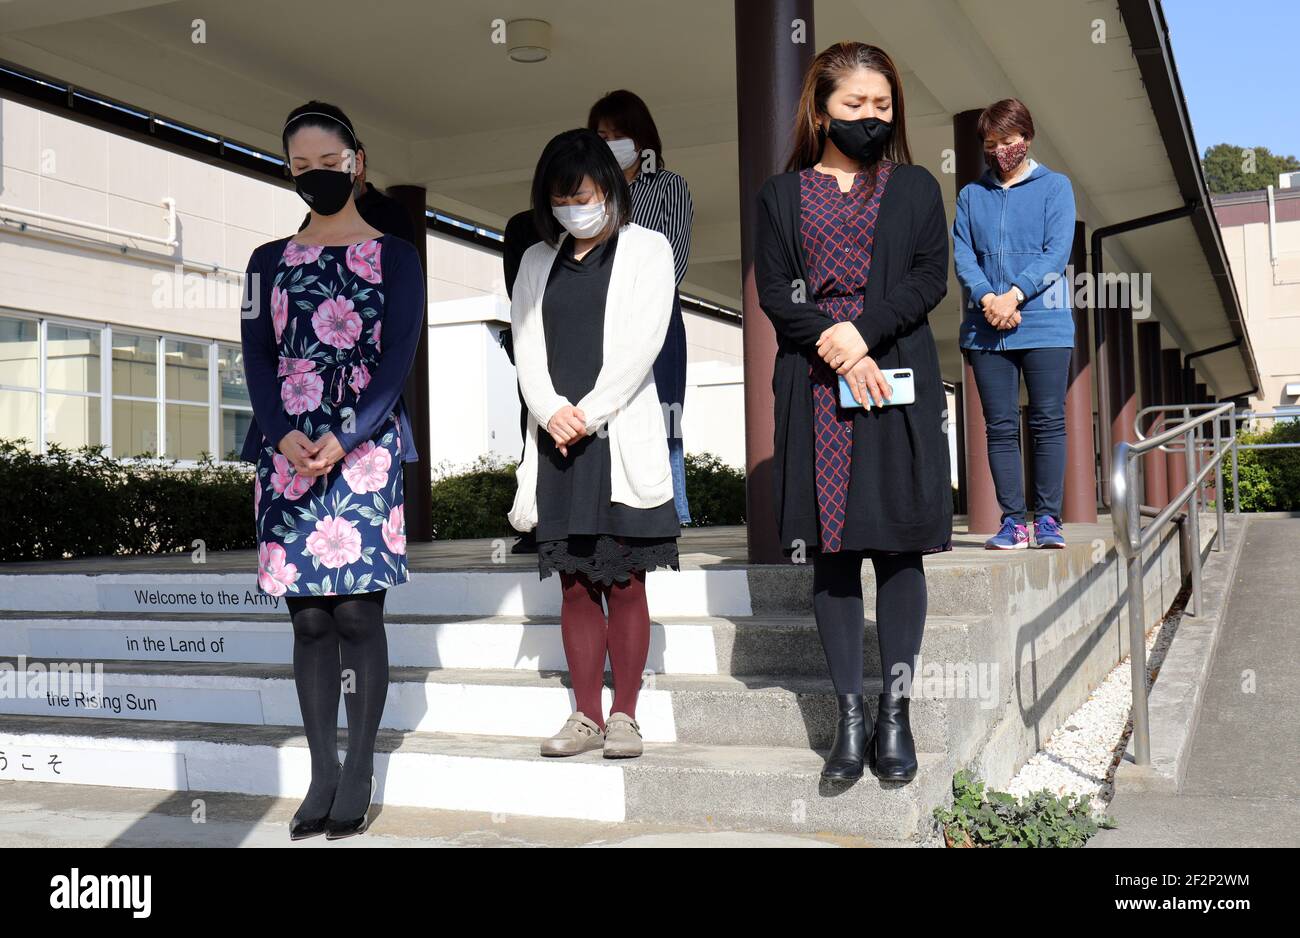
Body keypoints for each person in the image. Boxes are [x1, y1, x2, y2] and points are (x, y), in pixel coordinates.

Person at [755, 42, 952, 784]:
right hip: (815, 382)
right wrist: (839, 348)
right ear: (821, 109)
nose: (871, 117)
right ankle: (850, 719)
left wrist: (863, 334)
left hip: (896, 375)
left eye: (882, 105)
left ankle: (895, 716)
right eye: (854, 105)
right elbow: (778, 292)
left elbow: (930, 276)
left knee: (899, 548)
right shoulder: (780, 195)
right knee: (832, 558)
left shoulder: (916, 189)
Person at [239, 101, 425, 839]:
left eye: (328, 162)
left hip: (366, 448)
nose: (316, 176)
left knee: (356, 613)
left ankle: (359, 769)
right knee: (309, 621)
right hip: (284, 452)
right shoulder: (264, 262)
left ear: (358, 161)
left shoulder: (396, 256)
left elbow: (397, 357)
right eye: (301, 166)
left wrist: (344, 436)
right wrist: (284, 435)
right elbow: (254, 356)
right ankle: (320, 769)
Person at [508, 128, 680, 760]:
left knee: (626, 579)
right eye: (560, 198)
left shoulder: (648, 251)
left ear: (609, 189)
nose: (572, 208)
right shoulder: (535, 261)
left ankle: (626, 715)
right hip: (557, 444)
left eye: (582, 194)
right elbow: (524, 344)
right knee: (575, 584)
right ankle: (584, 715)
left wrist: (589, 411)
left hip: (616, 437)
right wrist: (552, 410)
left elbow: (644, 342)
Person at [952, 98, 1076, 549]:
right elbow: (963, 254)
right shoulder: (971, 196)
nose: (1000, 150)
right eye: (991, 143)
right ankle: (1012, 522)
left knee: (1047, 421)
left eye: (1008, 141)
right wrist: (989, 298)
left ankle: (1047, 520)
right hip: (986, 327)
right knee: (999, 426)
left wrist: (1014, 294)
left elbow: (1056, 253)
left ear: (1027, 137)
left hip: (1044, 325)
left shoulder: (1056, 188)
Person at [589, 89, 695, 525]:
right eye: (602, 135)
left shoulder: (668, 186)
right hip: (599, 318)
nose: (611, 142)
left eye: (620, 134)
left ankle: (671, 513)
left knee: (661, 414)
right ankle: (606, 512)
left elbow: (676, 258)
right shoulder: (591, 194)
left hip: (656, 318)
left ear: (642, 138)